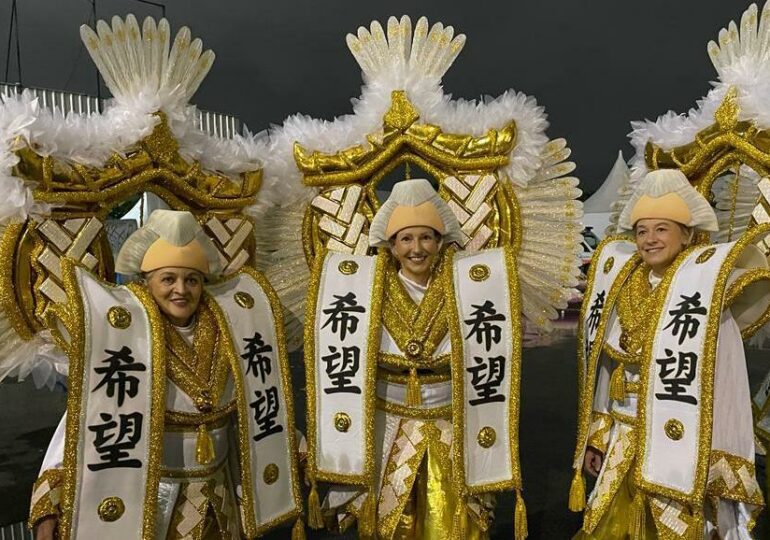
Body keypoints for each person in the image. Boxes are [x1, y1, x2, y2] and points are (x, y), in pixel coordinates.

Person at [29, 210, 302, 540]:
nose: (181, 290)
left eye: (192, 279)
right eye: (168, 279)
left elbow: (256, 401)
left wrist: (293, 450)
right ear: (146, 281)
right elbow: (88, 420)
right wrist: (52, 497)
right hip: (152, 499)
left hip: (220, 496)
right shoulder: (125, 340)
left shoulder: (229, 330)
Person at [303, 179, 527, 539]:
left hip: (449, 420)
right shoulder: (367, 289)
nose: (416, 248)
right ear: (391, 246)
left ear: (440, 242)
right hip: (387, 423)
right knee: (392, 522)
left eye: (426, 237)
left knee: (454, 520)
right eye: (405, 239)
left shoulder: (465, 287)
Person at [570, 169, 770, 539]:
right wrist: (598, 436)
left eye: (661, 229)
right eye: (642, 231)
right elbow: (606, 366)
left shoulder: (706, 291)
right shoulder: (622, 284)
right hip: (623, 440)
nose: (649, 240)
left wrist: (717, 461)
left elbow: (726, 382)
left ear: (687, 233)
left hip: (681, 444)